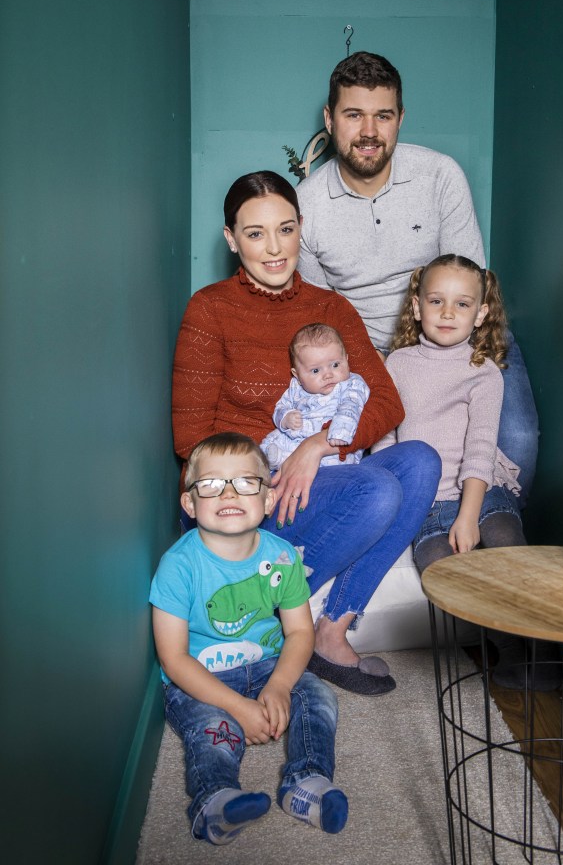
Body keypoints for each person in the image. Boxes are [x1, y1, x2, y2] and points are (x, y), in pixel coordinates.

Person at [172, 170, 442, 695]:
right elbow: (191, 438)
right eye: (255, 233)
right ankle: (267, 614)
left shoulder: (329, 309)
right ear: (231, 238)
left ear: (301, 229)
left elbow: (387, 401)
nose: (274, 249)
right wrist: (270, 468)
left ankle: (332, 628)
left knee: (421, 461)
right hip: (251, 492)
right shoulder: (209, 310)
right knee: (378, 487)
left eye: (286, 229)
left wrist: (318, 446)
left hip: (319, 472)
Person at [296, 50, 538, 502]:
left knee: (519, 441)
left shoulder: (440, 175)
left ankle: (491, 546)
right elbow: (322, 317)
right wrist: (366, 370)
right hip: (370, 352)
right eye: (354, 115)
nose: (369, 132)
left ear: (400, 118)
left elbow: (470, 282)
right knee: (386, 461)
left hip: (458, 326)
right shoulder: (306, 206)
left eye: (382, 116)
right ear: (330, 120)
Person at [150, 432, 349, 845]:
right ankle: (215, 801)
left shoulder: (281, 557)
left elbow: (299, 632)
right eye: (210, 484)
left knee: (319, 697)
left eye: (245, 482)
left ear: (268, 500)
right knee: (214, 727)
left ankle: (306, 783)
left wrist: (278, 686)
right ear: (189, 502)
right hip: (199, 677)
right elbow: (173, 659)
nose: (229, 492)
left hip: (264, 665)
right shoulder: (178, 566)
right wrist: (237, 707)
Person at [372, 256, 558, 690]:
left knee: (506, 552)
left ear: (481, 314)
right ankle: (509, 649)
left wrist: (469, 516)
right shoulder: (396, 364)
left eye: (462, 304)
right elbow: (384, 440)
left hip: (482, 492)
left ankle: (545, 647)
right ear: (416, 307)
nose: (448, 313)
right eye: (436, 301)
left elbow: (479, 449)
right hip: (427, 504)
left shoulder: (484, 371)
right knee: (443, 573)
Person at [260, 322, 370, 470]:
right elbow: (281, 407)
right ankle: (275, 459)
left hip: (331, 440)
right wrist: (286, 417)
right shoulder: (296, 388)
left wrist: (340, 431)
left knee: (336, 460)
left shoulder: (351, 384)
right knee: (273, 440)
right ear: (297, 375)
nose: (328, 375)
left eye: (335, 365)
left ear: (347, 360)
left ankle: (285, 462)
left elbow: (351, 406)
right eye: (316, 371)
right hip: (298, 435)